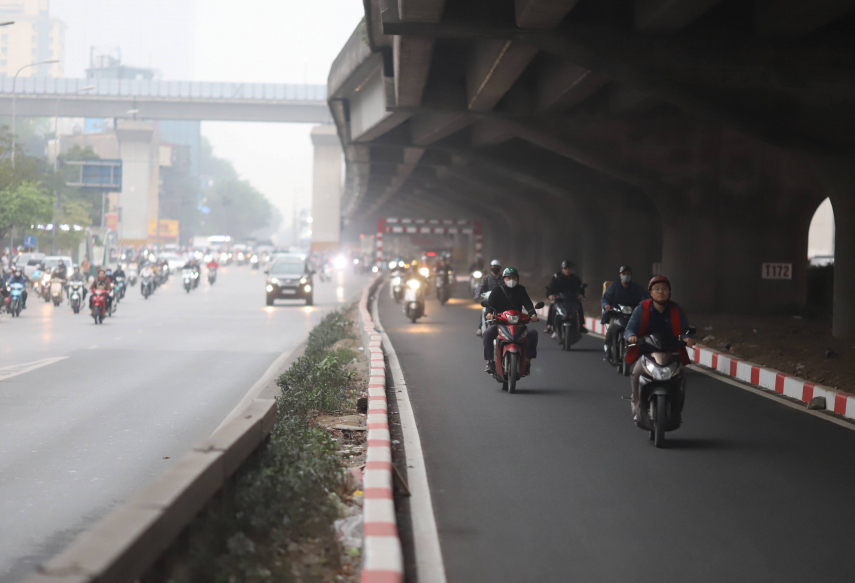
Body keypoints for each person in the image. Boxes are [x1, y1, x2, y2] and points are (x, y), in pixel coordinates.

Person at [624, 275, 695, 417]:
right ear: (650, 293)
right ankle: (637, 405)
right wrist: (631, 335)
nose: (660, 292)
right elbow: (630, 328)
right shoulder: (641, 309)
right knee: (636, 373)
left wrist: (687, 337)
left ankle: (677, 408)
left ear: (669, 292)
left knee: (681, 376)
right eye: (656, 289)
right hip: (645, 351)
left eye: (664, 288)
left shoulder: (676, 310)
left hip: (670, 351)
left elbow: (684, 329)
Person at [482, 267, 539, 373]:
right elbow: (490, 304)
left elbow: (527, 303)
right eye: (508, 277)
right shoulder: (497, 290)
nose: (511, 279)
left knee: (533, 333)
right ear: (504, 279)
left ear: (517, 279)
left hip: (518, 324)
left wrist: (533, 314)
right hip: (500, 323)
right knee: (487, 333)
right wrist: (489, 314)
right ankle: (490, 362)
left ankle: (527, 362)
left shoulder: (521, 290)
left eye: (513, 277)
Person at [601, 266, 649, 360]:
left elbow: (645, 298)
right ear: (620, 275)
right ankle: (607, 349)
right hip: (616, 314)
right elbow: (605, 298)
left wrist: (645, 304)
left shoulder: (636, 288)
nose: (626, 276)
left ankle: (642, 352)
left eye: (628, 274)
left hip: (632, 315)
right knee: (611, 328)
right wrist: (606, 305)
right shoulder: (613, 287)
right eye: (624, 274)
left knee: (642, 332)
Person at [545, 260, 587, 336]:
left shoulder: (575, 278)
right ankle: (549, 325)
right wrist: (551, 295)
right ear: (562, 269)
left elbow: (580, 288)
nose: (567, 270)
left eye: (569, 269)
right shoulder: (557, 277)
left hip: (572, 299)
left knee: (579, 307)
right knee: (552, 307)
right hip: (560, 299)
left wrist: (580, 294)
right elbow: (551, 288)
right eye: (565, 268)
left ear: (571, 269)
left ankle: (581, 325)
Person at [474, 259, 503, 336]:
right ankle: (480, 328)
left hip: (501, 301)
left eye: (497, 267)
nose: (495, 268)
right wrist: (477, 295)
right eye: (493, 266)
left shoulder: (503, 279)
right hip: (489, 301)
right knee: (485, 313)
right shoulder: (486, 278)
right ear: (491, 267)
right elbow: (480, 287)